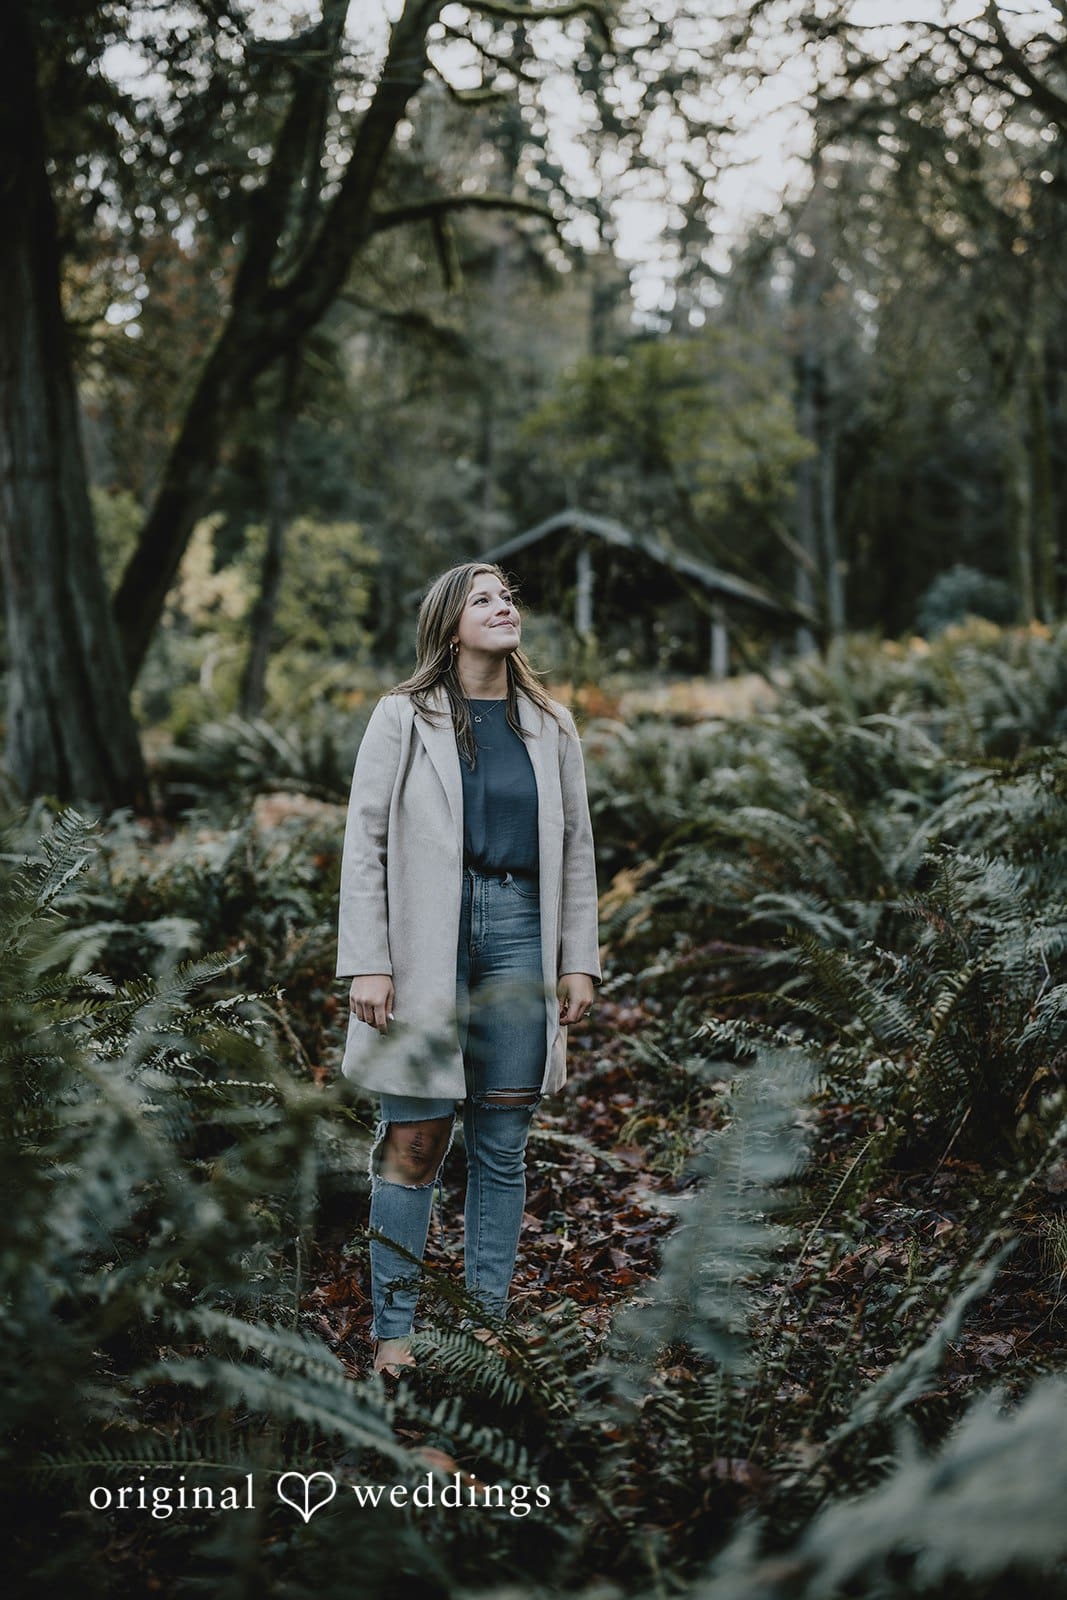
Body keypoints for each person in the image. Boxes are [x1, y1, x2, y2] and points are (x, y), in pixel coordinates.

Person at [336, 562, 601, 1378]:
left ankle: (487, 1332)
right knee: (414, 1137)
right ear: (450, 625)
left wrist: (578, 961)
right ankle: (394, 1336)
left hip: (521, 933)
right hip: (423, 942)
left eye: (509, 597)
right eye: (483, 599)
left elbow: (577, 850)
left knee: (502, 1143)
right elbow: (366, 842)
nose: (503, 607)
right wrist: (367, 962)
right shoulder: (400, 717)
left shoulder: (550, 725)